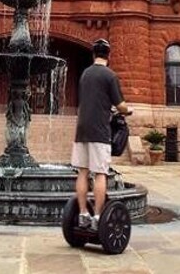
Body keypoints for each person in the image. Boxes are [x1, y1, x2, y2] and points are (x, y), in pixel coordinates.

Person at [72, 38, 131, 231]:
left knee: (82, 171)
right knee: (100, 173)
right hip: (99, 131)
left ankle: (82, 214)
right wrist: (126, 110)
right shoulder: (109, 75)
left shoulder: (85, 74)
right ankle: (97, 217)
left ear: (93, 55)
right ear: (109, 55)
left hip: (81, 130)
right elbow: (119, 104)